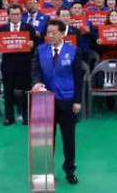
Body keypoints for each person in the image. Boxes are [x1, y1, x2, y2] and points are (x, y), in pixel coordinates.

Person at [31, 19, 83, 185]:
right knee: (47, 139)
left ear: (62, 33)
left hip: (67, 102)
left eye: (54, 33)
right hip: (45, 102)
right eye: (48, 33)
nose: (50, 36)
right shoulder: (40, 50)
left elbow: (78, 78)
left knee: (69, 139)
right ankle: (46, 170)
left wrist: (77, 101)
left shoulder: (73, 51)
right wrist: (37, 82)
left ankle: (69, 170)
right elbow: (35, 71)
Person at [0, 4, 36, 125]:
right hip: (8, 65)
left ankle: (27, 116)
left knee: (26, 91)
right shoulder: (2, 28)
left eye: (18, 14)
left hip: (25, 65)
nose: (15, 16)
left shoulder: (29, 28)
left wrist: (32, 45)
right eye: (13, 14)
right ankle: (9, 117)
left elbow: (35, 45)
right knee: (8, 92)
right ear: (8, 15)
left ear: (21, 15)